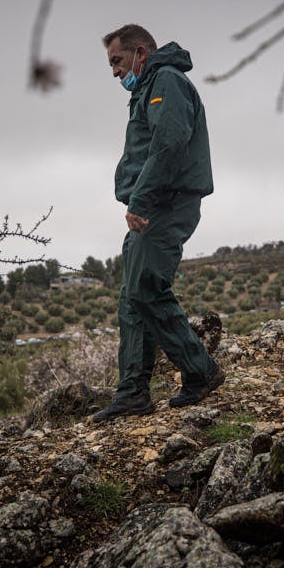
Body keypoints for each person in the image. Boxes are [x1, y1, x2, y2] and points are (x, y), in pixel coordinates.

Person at [93, 24, 225, 423]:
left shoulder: (166, 80)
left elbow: (168, 144)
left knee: (148, 288)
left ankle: (201, 372)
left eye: (117, 60)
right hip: (151, 205)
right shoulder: (147, 88)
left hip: (166, 204)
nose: (115, 71)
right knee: (132, 297)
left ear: (140, 52)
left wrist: (141, 199)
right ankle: (132, 393)